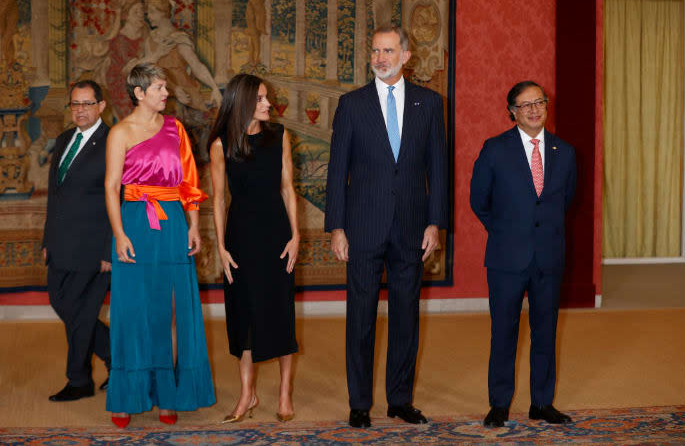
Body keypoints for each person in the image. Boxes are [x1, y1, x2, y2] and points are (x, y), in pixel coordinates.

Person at [324, 25, 448, 428]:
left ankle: (400, 399)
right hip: (362, 227)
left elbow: (438, 169)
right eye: (375, 50)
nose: (380, 57)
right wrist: (337, 227)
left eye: (388, 50)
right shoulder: (351, 104)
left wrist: (436, 222)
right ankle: (359, 402)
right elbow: (337, 170)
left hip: (413, 227)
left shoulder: (430, 104)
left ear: (406, 56)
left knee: (406, 317)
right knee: (360, 317)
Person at [104, 63, 215, 428]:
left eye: (165, 87)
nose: (166, 94)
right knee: (131, 310)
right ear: (139, 93)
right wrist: (119, 235)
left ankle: (167, 392)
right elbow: (110, 187)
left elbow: (190, 182)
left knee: (168, 311)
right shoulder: (119, 132)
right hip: (134, 222)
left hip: (172, 225)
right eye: (159, 88)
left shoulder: (175, 129)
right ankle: (126, 395)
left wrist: (194, 224)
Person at [469, 81, 577, 428]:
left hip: (549, 256)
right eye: (525, 104)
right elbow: (479, 200)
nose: (534, 109)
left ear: (547, 106)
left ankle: (542, 403)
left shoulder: (566, 151)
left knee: (546, 331)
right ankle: (499, 403)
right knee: (504, 331)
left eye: (539, 102)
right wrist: (506, 230)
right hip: (506, 257)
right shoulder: (495, 149)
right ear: (511, 111)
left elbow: (566, 201)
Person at [208, 74, 299, 423]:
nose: (267, 104)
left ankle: (284, 393)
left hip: (276, 235)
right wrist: (221, 246)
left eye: (267, 98)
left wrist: (295, 237)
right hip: (240, 237)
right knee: (243, 316)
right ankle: (248, 394)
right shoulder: (221, 144)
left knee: (280, 313)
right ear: (243, 102)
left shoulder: (279, 136)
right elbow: (218, 200)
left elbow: (288, 189)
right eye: (260, 99)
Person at [42, 80, 112, 402]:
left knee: (83, 314)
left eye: (86, 103)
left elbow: (120, 199)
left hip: (94, 246)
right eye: (75, 104)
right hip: (61, 243)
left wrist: (110, 249)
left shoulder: (113, 142)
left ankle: (79, 380)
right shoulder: (63, 140)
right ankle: (117, 356)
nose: (80, 110)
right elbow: (54, 195)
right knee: (62, 303)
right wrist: (47, 239)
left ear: (101, 106)